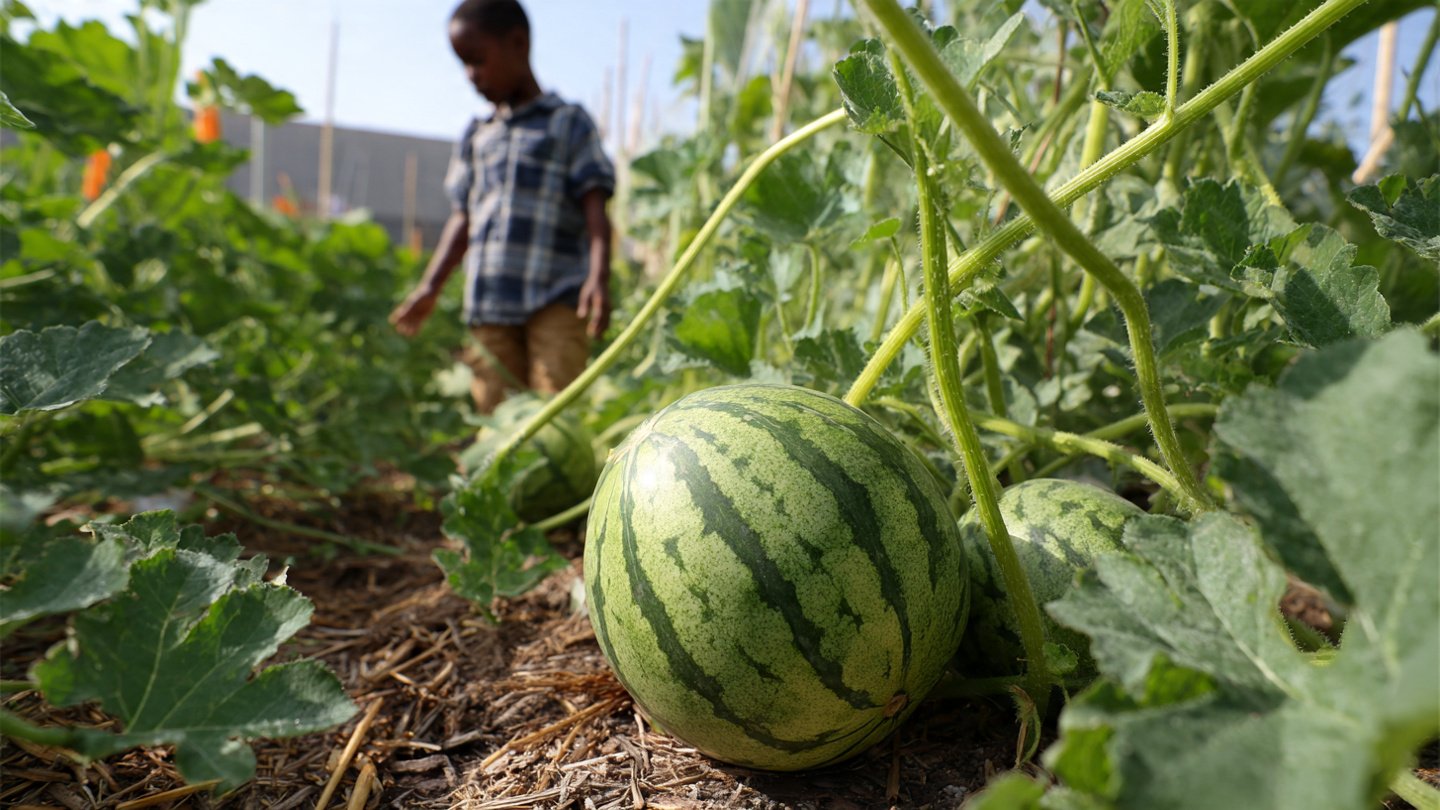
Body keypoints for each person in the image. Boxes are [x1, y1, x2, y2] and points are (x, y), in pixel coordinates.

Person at [391, 0, 615, 413]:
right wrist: (430, 286)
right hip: (490, 301)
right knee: (494, 412)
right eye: (463, 64)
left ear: (518, 43)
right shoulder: (478, 135)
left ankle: (561, 479)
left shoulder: (567, 122)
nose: (471, 76)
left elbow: (596, 209)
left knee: (555, 411)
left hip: (558, 297)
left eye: (478, 60)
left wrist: (599, 277)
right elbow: (463, 219)